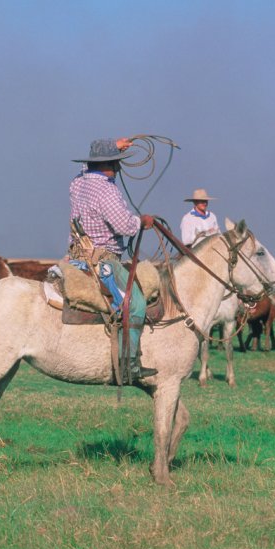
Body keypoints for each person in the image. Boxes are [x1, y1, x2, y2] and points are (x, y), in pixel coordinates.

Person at [69, 137, 157, 379]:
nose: (119, 167)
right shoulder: (107, 190)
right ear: (112, 164)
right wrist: (143, 222)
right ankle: (129, 365)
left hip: (77, 256)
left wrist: (112, 148)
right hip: (103, 260)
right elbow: (125, 226)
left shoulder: (78, 183)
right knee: (135, 303)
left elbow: (84, 171)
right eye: (117, 161)